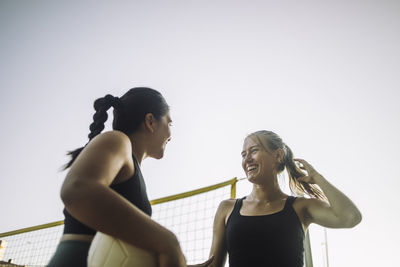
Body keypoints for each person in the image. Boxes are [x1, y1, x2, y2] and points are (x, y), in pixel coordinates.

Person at [48, 87, 212, 267]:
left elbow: (125, 252)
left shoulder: (130, 165)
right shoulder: (117, 140)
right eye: (169, 123)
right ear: (150, 121)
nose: (170, 135)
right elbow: (77, 189)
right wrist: (168, 242)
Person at [208, 130, 362, 267]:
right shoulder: (227, 208)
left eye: (254, 151)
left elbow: (350, 217)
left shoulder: (300, 207)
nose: (247, 159)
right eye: (243, 155)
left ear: (278, 155)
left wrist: (318, 178)